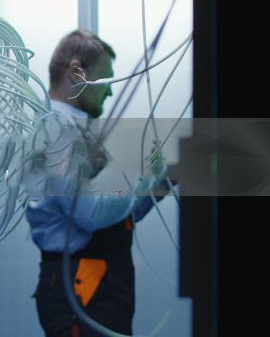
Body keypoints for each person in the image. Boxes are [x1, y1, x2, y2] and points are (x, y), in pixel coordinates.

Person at [26, 29, 170, 337]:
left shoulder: (75, 131)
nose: (110, 92)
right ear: (76, 71)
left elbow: (119, 215)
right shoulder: (57, 130)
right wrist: (139, 176)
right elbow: (91, 214)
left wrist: (161, 179)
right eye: (106, 80)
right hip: (81, 282)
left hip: (97, 280)